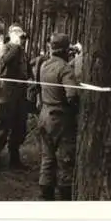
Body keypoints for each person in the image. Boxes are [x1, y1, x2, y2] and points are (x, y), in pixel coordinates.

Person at [37, 33, 79, 201]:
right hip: (60, 118)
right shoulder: (65, 68)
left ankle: (45, 196)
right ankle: (64, 200)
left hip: (44, 115)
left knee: (47, 158)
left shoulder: (44, 65)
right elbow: (72, 96)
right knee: (66, 160)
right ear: (65, 50)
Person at [0, 24, 29, 169]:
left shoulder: (21, 52)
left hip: (19, 94)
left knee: (19, 127)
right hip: (6, 94)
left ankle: (14, 157)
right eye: (20, 37)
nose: (23, 40)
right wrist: (14, 47)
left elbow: (26, 72)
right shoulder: (4, 51)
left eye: (23, 37)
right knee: (3, 127)